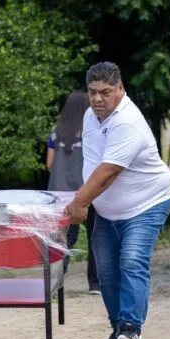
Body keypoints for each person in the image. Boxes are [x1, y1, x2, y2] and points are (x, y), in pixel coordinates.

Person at [64, 61, 170, 339]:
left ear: (121, 89)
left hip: (145, 204)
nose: (98, 99)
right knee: (107, 272)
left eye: (106, 92)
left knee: (132, 261)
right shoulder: (90, 116)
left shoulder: (128, 122)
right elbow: (93, 162)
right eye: (92, 92)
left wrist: (80, 201)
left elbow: (108, 170)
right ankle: (118, 332)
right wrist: (84, 198)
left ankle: (130, 329)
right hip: (106, 209)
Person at [46, 90, 100, 294]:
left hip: (60, 194)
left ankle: (55, 284)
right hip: (87, 190)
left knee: (64, 239)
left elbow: (50, 163)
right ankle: (95, 284)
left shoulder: (55, 131)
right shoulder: (91, 130)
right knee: (96, 236)